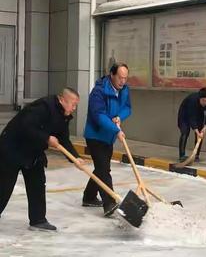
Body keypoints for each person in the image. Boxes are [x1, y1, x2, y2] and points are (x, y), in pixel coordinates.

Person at [0, 88, 83, 231]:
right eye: (72, 104)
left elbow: (64, 139)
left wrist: (75, 158)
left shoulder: (64, 115)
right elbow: (26, 126)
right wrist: (46, 138)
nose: (74, 109)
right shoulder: (44, 106)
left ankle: (38, 220)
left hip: (33, 151)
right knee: (4, 185)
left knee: (37, 183)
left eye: (76, 105)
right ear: (62, 100)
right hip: (13, 147)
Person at [83, 63, 131, 215]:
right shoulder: (99, 91)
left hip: (108, 137)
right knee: (104, 169)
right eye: (120, 77)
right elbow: (99, 116)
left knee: (101, 168)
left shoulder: (124, 90)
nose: (123, 81)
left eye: (125, 78)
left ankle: (89, 197)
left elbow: (127, 108)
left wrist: (119, 117)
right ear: (112, 74)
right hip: (95, 135)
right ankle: (109, 203)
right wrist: (115, 129)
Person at [177, 87, 206, 162]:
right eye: (203, 100)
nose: (205, 103)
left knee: (200, 134)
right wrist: (197, 132)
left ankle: (196, 155)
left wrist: (205, 128)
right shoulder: (193, 100)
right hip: (184, 114)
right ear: (199, 98)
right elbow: (192, 118)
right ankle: (182, 155)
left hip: (199, 114)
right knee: (185, 132)